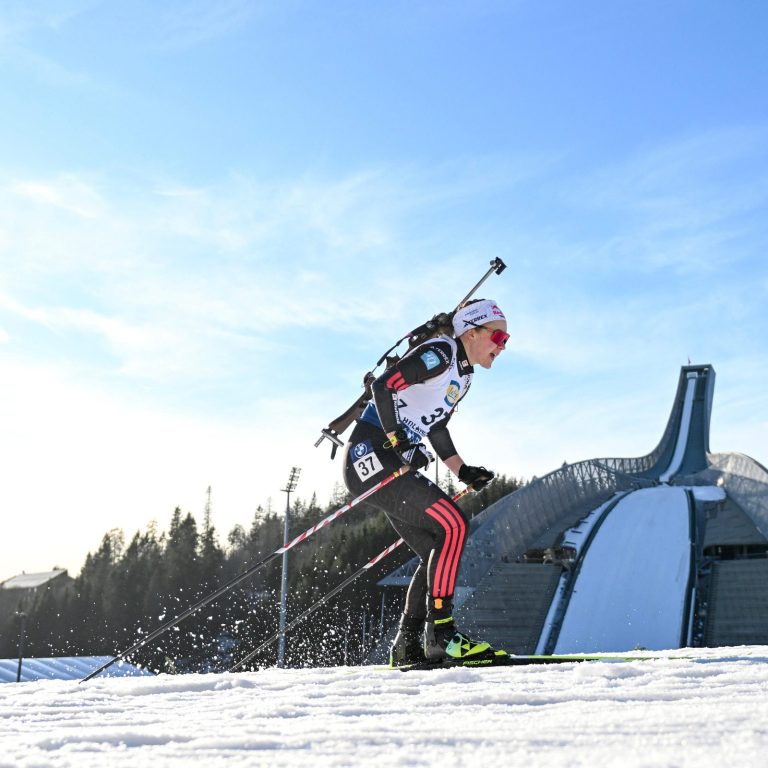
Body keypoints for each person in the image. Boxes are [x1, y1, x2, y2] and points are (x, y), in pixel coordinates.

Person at [342, 298, 510, 667]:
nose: (502, 345)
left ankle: (408, 642)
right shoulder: (441, 353)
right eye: (498, 335)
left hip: (384, 458)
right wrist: (400, 442)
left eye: (506, 339)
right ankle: (443, 634)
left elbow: (436, 426)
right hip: (370, 452)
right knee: (454, 525)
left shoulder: (463, 376)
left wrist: (462, 471)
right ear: (472, 330)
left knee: (437, 542)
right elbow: (384, 388)